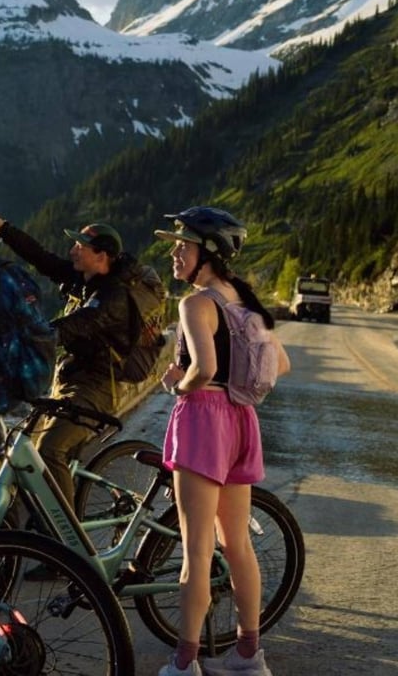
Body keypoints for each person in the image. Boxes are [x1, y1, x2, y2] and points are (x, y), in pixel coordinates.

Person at [153, 206, 290, 676]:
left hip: (204, 421)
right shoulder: (246, 303)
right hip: (241, 421)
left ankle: (184, 662)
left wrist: (178, 383)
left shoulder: (196, 304)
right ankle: (249, 657)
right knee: (237, 546)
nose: (175, 252)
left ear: (206, 253)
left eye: (182, 245)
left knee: (194, 551)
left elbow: (203, 369)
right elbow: (282, 364)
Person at [0, 196, 132, 510]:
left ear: (103, 256)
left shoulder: (113, 297)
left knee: (49, 451)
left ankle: (67, 546)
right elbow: (39, 257)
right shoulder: (83, 278)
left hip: (96, 388)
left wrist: (21, 338)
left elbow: (73, 326)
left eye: (81, 247)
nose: (73, 251)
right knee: (33, 446)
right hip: (69, 380)